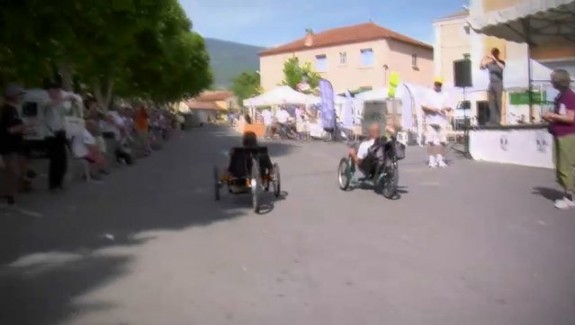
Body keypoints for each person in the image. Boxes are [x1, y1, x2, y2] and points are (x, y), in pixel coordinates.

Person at [542, 69, 575, 210]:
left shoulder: (569, 96)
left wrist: (553, 116)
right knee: (561, 166)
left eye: (553, 80)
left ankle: (569, 198)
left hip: (567, 136)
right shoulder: (561, 96)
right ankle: (568, 195)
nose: (551, 82)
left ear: (559, 81)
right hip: (560, 135)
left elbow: (570, 118)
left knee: (566, 167)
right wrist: (551, 117)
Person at [0, 84, 31, 205]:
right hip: (8, 146)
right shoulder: (7, 110)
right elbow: (10, 129)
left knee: (16, 170)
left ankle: (11, 193)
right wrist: (27, 125)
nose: (20, 97)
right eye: (19, 94)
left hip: (16, 146)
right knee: (12, 171)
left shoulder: (13, 109)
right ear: (12, 96)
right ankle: (8, 194)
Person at [44, 83, 70, 191]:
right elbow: (51, 104)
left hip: (61, 132)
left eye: (56, 91)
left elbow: (66, 113)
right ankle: (53, 184)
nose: (54, 93)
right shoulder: (46, 101)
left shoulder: (62, 104)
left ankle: (59, 182)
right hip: (51, 134)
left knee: (63, 159)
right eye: (52, 91)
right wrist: (63, 98)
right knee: (55, 160)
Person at [422, 77, 452, 168]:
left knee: (442, 141)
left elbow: (449, 107)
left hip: (442, 120)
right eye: (436, 84)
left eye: (439, 84)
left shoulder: (445, 94)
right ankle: (432, 160)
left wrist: (444, 109)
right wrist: (432, 109)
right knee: (431, 141)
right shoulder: (428, 93)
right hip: (431, 120)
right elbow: (423, 106)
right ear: (434, 83)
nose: (437, 86)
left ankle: (440, 159)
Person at [480, 48, 506, 125]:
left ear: (498, 54)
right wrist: (483, 60)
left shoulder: (501, 62)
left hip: (498, 83)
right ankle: (492, 120)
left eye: (495, 53)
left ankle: (498, 120)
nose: (494, 55)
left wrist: (495, 60)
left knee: (498, 101)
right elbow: (481, 67)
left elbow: (502, 67)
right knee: (491, 102)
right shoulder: (490, 64)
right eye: (493, 53)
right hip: (491, 83)